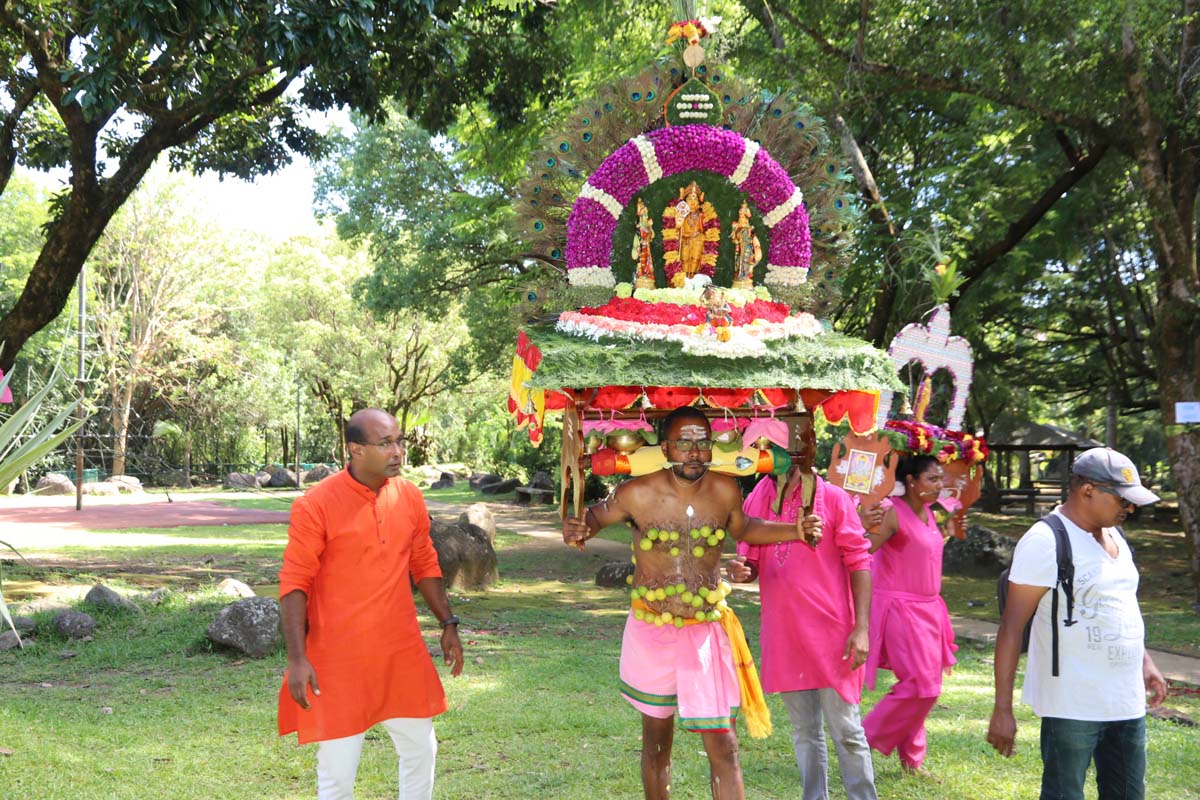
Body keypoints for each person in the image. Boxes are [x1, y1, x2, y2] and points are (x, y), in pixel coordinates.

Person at [562, 406, 820, 800]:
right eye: (684, 442)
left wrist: (795, 531)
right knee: (657, 742)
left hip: (705, 630)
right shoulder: (636, 492)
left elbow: (745, 528)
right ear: (666, 447)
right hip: (651, 630)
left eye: (702, 442)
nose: (694, 452)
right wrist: (577, 526)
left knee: (725, 745)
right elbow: (593, 518)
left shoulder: (725, 490)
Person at [278, 408, 464, 800]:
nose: (397, 451)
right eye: (385, 444)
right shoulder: (316, 504)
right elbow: (295, 583)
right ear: (356, 450)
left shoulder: (409, 495)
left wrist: (448, 623)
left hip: (400, 648)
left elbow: (424, 562)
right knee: (339, 773)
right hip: (338, 655)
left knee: (421, 749)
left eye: (399, 441)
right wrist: (297, 658)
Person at [987, 447, 1167, 800]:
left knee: (1129, 793)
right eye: (1122, 500)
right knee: (1064, 793)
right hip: (1072, 703)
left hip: (1126, 699)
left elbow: (1120, 604)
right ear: (1088, 491)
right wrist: (1002, 710)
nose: (1130, 508)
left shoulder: (1115, 535)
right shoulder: (1044, 541)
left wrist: (1145, 662)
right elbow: (1010, 629)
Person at [728, 465, 879, 800]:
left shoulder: (835, 499)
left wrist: (862, 629)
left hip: (833, 635)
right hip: (784, 634)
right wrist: (741, 570)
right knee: (804, 732)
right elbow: (750, 560)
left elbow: (859, 561)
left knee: (847, 731)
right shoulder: (758, 497)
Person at [860, 453, 958, 777]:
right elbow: (860, 551)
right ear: (912, 482)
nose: (939, 484)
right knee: (920, 686)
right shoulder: (891, 512)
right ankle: (863, 739)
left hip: (931, 611)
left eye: (940, 478)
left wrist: (952, 531)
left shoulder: (930, 513)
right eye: (933, 478)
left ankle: (912, 762)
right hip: (900, 610)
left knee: (923, 685)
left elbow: (922, 553)